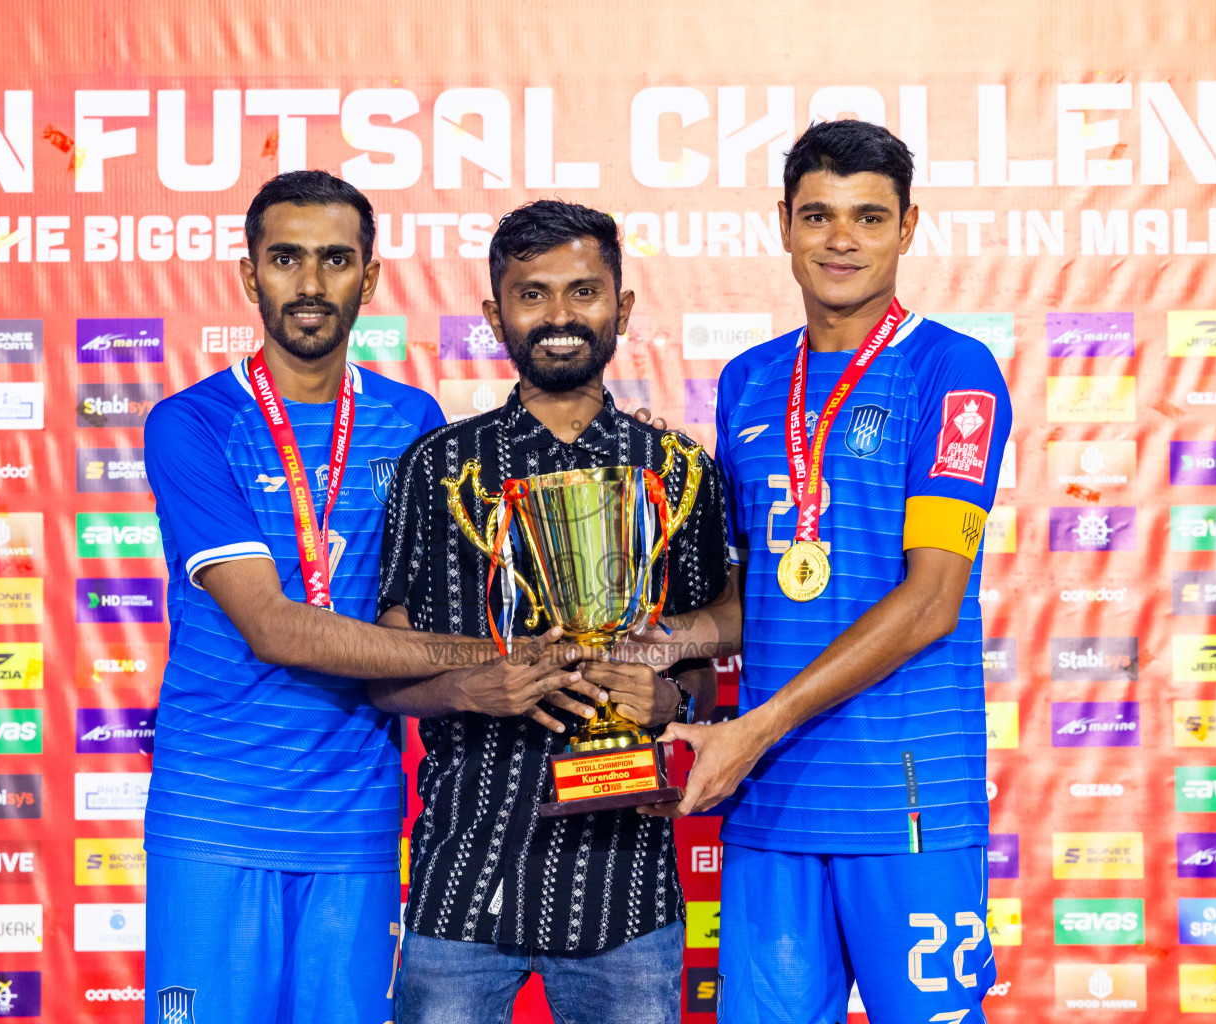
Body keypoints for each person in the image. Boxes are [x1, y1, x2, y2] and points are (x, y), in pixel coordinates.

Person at [141, 171, 590, 1024]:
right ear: (248, 276)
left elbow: (430, 609)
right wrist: (495, 660)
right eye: (285, 260)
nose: (310, 286)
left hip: (356, 821)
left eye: (335, 261)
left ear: (370, 278)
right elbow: (274, 628)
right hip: (216, 814)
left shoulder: (412, 419)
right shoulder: (192, 423)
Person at [653, 119, 1013, 1023]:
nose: (840, 239)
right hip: (773, 805)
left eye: (867, 217)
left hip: (906, 800)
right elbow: (764, 594)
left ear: (908, 227)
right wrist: (664, 643)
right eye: (817, 216)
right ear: (783, 225)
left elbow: (931, 601)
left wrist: (752, 728)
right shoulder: (746, 381)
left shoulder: (953, 370)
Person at [371, 200, 734, 1024]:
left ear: (623, 308)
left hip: (625, 893)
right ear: (497, 315)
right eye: (532, 295)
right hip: (461, 879)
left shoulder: (680, 471)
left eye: (584, 291)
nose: (561, 316)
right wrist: (473, 687)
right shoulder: (437, 469)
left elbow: (713, 666)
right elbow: (381, 675)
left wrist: (671, 698)